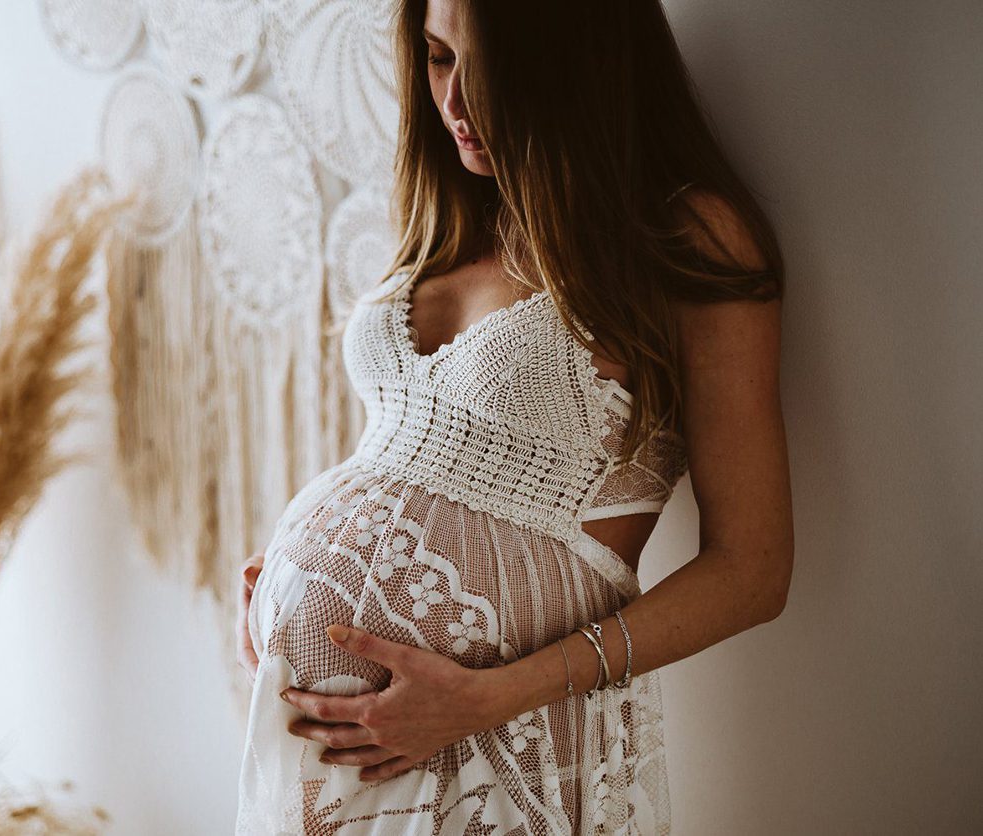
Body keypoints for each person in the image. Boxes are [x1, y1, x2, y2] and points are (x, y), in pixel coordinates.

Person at [234, 0, 792, 832]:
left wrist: (482, 699)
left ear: (579, 59)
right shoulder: (453, 215)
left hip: (504, 737)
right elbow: (411, 460)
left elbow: (753, 572)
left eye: (488, 66)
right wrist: (288, 574)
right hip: (344, 753)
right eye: (436, 57)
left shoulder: (685, 237)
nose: (456, 103)